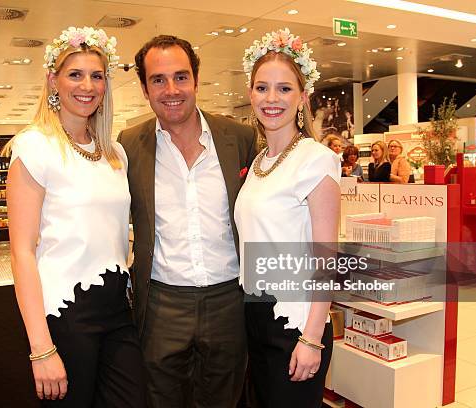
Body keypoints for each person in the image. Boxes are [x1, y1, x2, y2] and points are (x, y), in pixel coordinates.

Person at [3, 26, 146, 407]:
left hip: (117, 309)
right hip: (65, 315)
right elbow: (21, 253)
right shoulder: (34, 147)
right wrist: (41, 348)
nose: (87, 85)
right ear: (54, 80)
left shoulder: (115, 153)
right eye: (75, 74)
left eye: (96, 76)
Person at [117, 35, 256, 408]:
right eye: (158, 80)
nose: (171, 90)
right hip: (162, 302)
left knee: (226, 399)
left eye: (181, 77)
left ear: (196, 80)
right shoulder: (129, 145)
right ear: (144, 89)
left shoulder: (240, 139)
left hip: (230, 298)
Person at [235, 28, 341, 407]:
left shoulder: (315, 159)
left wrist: (312, 338)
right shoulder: (260, 161)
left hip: (296, 324)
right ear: (250, 95)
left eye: (284, 89)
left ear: (302, 97)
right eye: (262, 88)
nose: (272, 98)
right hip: (256, 317)